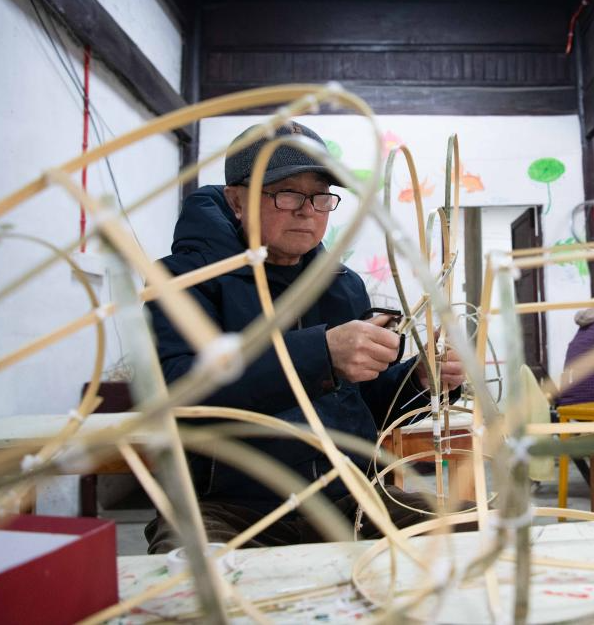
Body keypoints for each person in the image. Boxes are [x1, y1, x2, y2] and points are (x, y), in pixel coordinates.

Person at [144, 121, 464, 553]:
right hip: (227, 509)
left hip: (350, 500)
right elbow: (181, 392)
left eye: (320, 196)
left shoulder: (342, 285)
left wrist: (420, 380)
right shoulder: (186, 280)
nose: (307, 210)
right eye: (287, 192)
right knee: (190, 577)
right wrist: (321, 353)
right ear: (236, 201)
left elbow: (360, 407)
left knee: (484, 531)